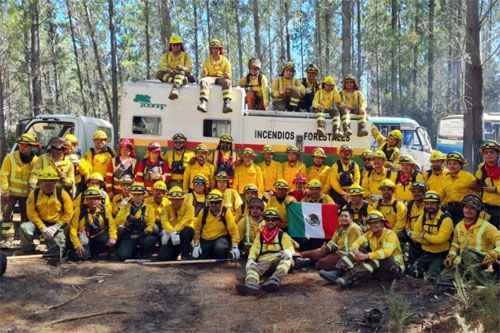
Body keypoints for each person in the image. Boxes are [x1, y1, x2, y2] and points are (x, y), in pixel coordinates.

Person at [320, 210, 404, 286]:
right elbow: (356, 243)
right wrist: (356, 252)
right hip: (380, 268)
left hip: (394, 269)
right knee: (360, 249)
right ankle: (337, 272)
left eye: (376, 222)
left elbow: (387, 252)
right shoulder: (369, 233)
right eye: (370, 223)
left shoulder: (390, 234)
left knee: (379, 257)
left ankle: (349, 278)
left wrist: (366, 256)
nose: (373, 225)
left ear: (382, 223)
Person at [438, 194, 499, 285]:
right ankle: (470, 278)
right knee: (443, 278)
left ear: (477, 211)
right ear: (462, 208)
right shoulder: (459, 226)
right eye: (466, 207)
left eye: (472, 208)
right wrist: (451, 256)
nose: (468, 210)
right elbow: (455, 244)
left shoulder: (486, 226)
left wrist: (494, 253)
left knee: (468, 254)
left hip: (482, 262)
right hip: (463, 261)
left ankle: (484, 279)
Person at [236, 208, 295, 295]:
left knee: (288, 260)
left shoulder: (282, 235)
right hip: (264, 262)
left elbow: (289, 246)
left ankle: (274, 281)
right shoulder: (260, 235)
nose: (270, 222)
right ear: (264, 220)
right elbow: (255, 248)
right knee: (252, 268)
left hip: (278, 262)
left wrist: (289, 252)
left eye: (273, 219)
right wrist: (251, 259)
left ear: (278, 221)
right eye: (267, 219)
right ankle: (251, 285)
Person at [20, 167, 73, 256]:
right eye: (45, 181)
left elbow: (69, 213)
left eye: (52, 181)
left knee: (58, 248)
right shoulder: (34, 194)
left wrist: (56, 227)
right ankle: (28, 249)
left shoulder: (62, 194)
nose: (48, 184)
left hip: (56, 225)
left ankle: (51, 247)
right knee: (24, 228)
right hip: (39, 223)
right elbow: (31, 213)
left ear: (56, 182)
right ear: (40, 182)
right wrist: (42, 228)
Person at [1, 133, 40, 242]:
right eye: (20, 145)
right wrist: (5, 191)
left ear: (32, 146)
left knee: (26, 216)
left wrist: (32, 193)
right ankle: (8, 238)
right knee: (6, 214)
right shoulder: (10, 157)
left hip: (26, 195)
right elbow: (3, 174)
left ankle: (24, 239)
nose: (22, 147)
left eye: (25, 145)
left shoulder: (36, 161)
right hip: (10, 193)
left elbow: (36, 177)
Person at [298, 209, 362, 271]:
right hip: (336, 251)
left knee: (321, 263)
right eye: (341, 216)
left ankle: (310, 262)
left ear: (351, 218)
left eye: (346, 216)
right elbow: (334, 241)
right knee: (313, 253)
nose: (343, 218)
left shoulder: (354, 229)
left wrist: (331, 255)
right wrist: (327, 248)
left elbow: (355, 249)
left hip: (344, 255)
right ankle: (295, 257)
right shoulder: (340, 227)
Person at [410, 191, 454, 279]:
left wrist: (425, 236)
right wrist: (429, 241)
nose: (430, 206)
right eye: (427, 203)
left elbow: (440, 239)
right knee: (413, 273)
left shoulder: (446, 219)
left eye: (433, 203)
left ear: (439, 204)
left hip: (441, 254)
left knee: (431, 277)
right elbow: (415, 236)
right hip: (426, 253)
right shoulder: (423, 217)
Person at [69, 186, 116, 260]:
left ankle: (96, 252)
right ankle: (78, 252)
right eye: (90, 199)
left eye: (95, 199)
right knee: (83, 256)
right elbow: (73, 229)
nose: (93, 201)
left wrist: (113, 237)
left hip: (98, 236)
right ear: (86, 200)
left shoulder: (104, 210)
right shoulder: (79, 211)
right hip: (83, 238)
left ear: (99, 200)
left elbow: (112, 226)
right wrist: (77, 245)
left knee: (106, 238)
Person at [192, 189, 240, 260]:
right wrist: (196, 244)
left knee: (221, 248)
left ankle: (222, 262)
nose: (213, 205)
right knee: (200, 256)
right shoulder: (203, 212)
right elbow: (197, 229)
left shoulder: (226, 213)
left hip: (220, 239)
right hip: (206, 240)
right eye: (211, 202)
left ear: (221, 202)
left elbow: (233, 230)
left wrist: (235, 246)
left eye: (216, 202)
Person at [114, 183, 156, 261]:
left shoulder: (149, 207)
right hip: (129, 235)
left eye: (139, 195)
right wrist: (126, 216)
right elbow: (116, 221)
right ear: (132, 195)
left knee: (150, 239)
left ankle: (143, 252)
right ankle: (132, 251)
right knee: (121, 256)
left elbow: (151, 224)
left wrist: (144, 233)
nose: (137, 197)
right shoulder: (126, 207)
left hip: (143, 235)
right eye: (135, 195)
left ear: (143, 195)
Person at [158, 186, 195, 261]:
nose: (175, 202)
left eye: (178, 200)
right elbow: (164, 222)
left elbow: (185, 222)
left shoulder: (189, 207)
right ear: (170, 199)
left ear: (183, 199)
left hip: (185, 233)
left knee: (186, 231)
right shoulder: (166, 208)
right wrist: (171, 232)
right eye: (173, 199)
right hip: (172, 234)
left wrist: (174, 231)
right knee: (163, 257)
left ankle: (185, 255)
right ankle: (175, 252)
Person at [197, 39, 233, 113]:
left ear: (220, 49)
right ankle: (203, 103)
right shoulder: (207, 60)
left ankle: (226, 104)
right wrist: (204, 73)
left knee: (227, 82)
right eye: (213, 48)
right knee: (203, 81)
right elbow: (204, 75)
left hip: (221, 78)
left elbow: (229, 74)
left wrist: (227, 75)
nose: (215, 50)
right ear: (211, 50)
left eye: (217, 48)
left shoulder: (225, 60)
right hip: (210, 77)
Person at [441, 152, 476, 224]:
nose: (452, 166)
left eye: (455, 164)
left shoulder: (468, 176)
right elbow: (443, 195)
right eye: (450, 164)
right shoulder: (445, 178)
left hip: (463, 208)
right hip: (449, 208)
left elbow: (477, 191)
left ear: (461, 165)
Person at [156, 34, 193, 100]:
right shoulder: (166, 55)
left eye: (177, 44)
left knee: (182, 73)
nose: (176, 46)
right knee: (159, 74)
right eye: (174, 45)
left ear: (180, 45)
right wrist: (169, 70)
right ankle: (180, 82)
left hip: (181, 74)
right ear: (171, 46)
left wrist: (182, 68)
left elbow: (189, 68)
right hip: (170, 74)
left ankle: (175, 89)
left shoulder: (186, 56)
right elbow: (162, 66)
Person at [474, 140, 500, 228]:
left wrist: (496, 189)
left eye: (492, 152)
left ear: (498, 154)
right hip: (486, 210)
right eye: (486, 153)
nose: (489, 154)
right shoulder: (481, 170)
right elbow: (478, 189)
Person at [399, 182, 426, 265]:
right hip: (411, 232)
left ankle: (415, 263)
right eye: (414, 191)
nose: (416, 193)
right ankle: (401, 260)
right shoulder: (410, 205)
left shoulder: (428, 205)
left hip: (423, 233)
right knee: (399, 236)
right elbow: (407, 220)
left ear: (424, 192)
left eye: (419, 191)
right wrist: (408, 230)